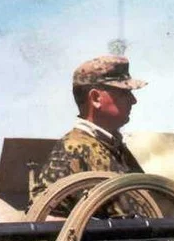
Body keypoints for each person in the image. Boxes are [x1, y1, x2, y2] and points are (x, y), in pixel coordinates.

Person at [28, 55, 147, 215]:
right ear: (95, 98)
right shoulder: (73, 149)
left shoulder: (114, 147)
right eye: (124, 93)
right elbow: (42, 217)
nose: (133, 100)